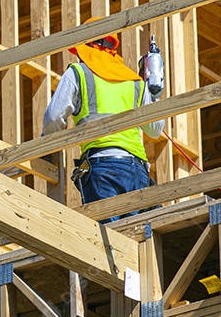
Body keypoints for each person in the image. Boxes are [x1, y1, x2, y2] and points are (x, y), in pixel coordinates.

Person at [42, 23, 164, 221]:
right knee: (134, 240)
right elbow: (155, 130)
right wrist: (154, 94)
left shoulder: (79, 72)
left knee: (108, 243)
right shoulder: (134, 81)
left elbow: (54, 117)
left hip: (103, 167)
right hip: (137, 171)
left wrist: (46, 149)